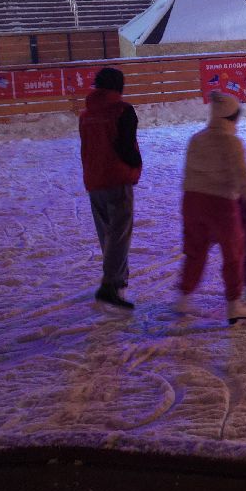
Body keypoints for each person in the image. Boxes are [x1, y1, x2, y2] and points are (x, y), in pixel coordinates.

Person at [178, 91, 246, 325]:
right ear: (232, 117)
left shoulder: (196, 138)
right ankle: (234, 304)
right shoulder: (232, 142)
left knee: (195, 250)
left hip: (191, 200)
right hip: (221, 203)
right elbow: (244, 181)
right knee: (233, 253)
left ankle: (183, 297)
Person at [79, 66, 142, 311]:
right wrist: (135, 163)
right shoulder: (122, 110)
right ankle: (110, 284)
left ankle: (116, 283)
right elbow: (126, 145)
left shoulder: (85, 114)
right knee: (120, 234)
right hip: (117, 178)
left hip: (94, 180)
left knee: (108, 233)